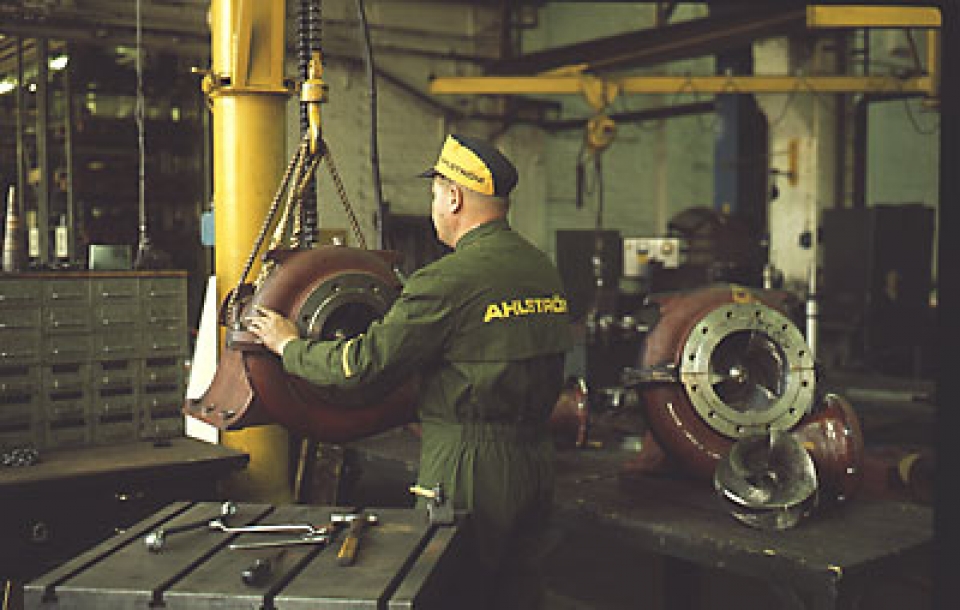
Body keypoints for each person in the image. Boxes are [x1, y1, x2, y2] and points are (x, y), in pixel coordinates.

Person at [245, 133, 573, 609]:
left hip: (467, 468)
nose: (433, 205)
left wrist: (289, 346)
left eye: (435, 193)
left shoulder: (447, 280)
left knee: (452, 594)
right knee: (516, 596)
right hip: (534, 462)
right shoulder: (541, 269)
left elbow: (360, 367)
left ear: (454, 196)